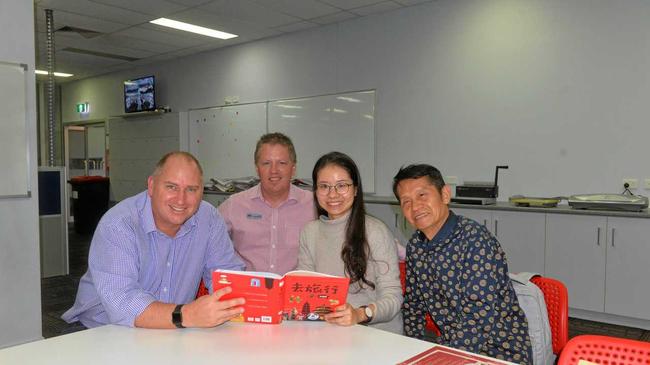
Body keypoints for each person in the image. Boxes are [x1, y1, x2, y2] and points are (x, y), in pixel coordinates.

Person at [62, 151, 246, 329]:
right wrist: (186, 315)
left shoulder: (209, 219)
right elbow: (122, 303)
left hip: (174, 325)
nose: (181, 200)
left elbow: (228, 275)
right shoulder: (119, 224)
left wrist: (258, 304)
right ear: (151, 186)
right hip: (104, 329)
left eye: (191, 189)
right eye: (171, 187)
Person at [393, 164, 532, 364]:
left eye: (422, 195)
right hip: (453, 345)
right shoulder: (416, 245)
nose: (415, 207)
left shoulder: (474, 240)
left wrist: (444, 359)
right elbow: (414, 305)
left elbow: (478, 317)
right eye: (406, 202)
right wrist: (413, 351)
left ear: (445, 194)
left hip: (499, 350)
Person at [297, 151, 403, 334]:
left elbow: (393, 297)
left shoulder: (375, 231)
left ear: (355, 190)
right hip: (329, 332)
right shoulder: (309, 232)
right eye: (324, 186)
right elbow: (305, 290)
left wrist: (360, 314)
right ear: (315, 191)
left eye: (341, 186)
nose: (333, 194)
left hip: (377, 335)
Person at [218, 133, 315, 275]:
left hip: (294, 293)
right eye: (266, 163)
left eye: (282, 163)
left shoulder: (313, 205)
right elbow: (208, 239)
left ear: (293, 169)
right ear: (257, 169)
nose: (274, 170)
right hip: (248, 291)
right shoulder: (234, 205)